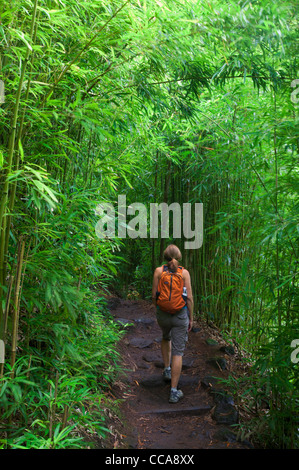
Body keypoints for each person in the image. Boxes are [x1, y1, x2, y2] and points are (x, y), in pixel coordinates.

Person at [152, 244, 194, 403]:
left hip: (162, 314)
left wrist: (158, 309)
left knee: (165, 336)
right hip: (179, 315)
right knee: (178, 352)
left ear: (165, 256)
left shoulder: (158, 271)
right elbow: (189, 298)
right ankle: (174, 391)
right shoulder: (184, 273)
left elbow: (154, 294)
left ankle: (167, 369)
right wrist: (191, 317)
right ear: (179, 256)